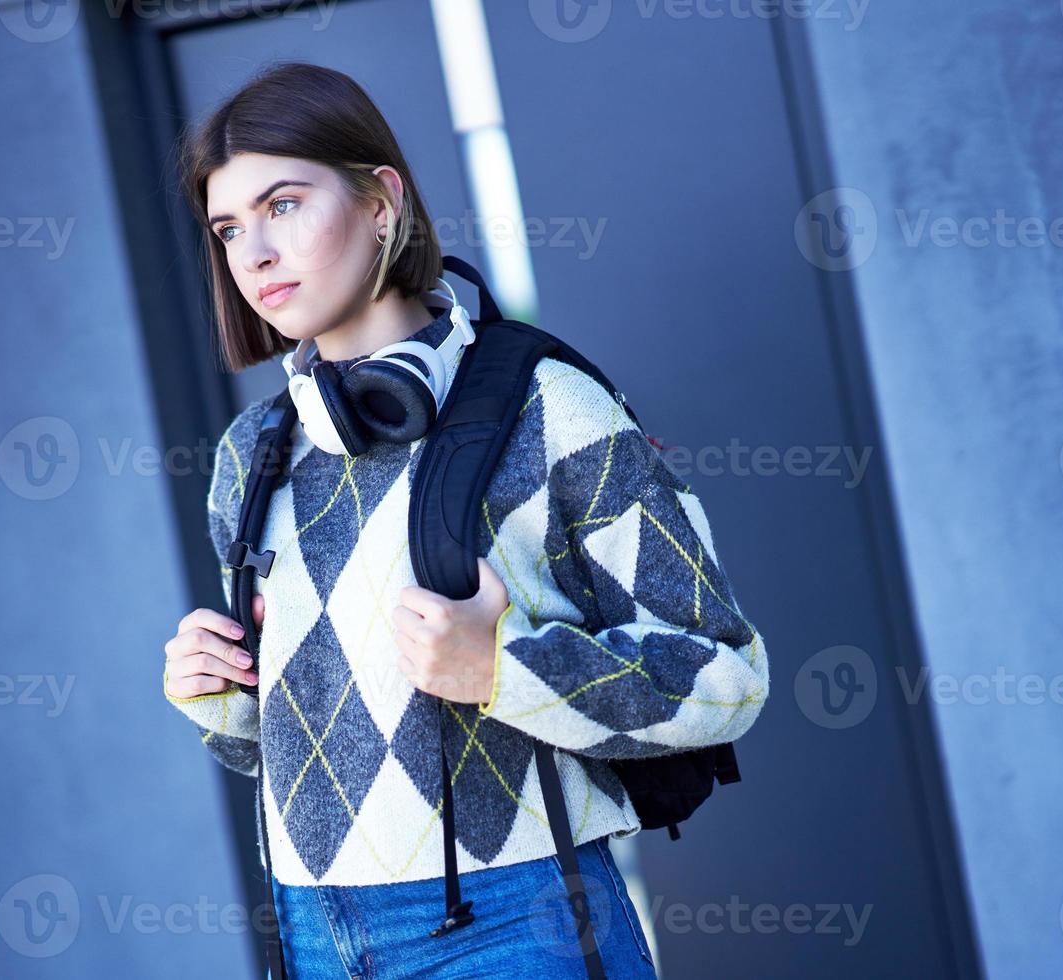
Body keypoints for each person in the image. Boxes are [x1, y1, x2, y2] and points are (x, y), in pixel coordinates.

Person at [162, 61, 769, 979]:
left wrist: (503, 667)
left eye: (283, 204)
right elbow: (307, 750)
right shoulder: (253, 456)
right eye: (229, 227)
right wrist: (221, 695)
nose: (253, 253)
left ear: (380, 202)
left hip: (513, 922)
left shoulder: (551, 410)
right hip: (310, 928)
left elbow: (728, 678)